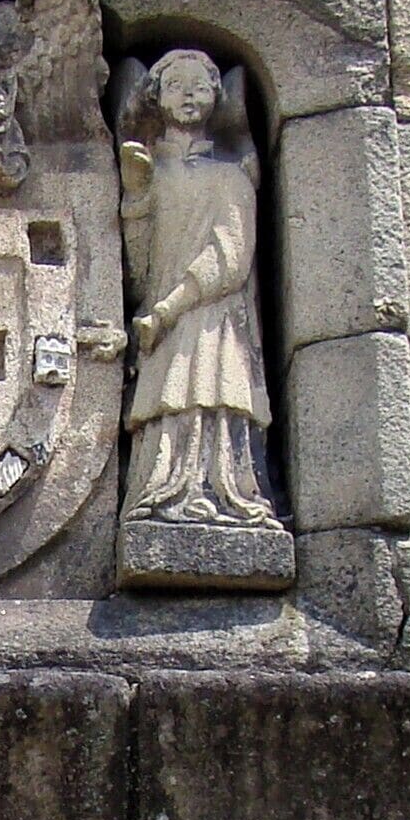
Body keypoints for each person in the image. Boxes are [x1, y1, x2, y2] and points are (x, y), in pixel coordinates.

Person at [117, 49, 281, 529]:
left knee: (212, 399)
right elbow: (139, 270)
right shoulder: (151, 170)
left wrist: (169, 309)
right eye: (175, 86)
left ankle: (223, 495)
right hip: (160, 320)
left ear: (217, 97)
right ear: (155, 97)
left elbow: (231, 257)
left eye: (200, 86)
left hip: (212, 317)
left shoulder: (231, 176)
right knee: (167, 405)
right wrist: (137, 197)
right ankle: (160, 495)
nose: (188, 95)